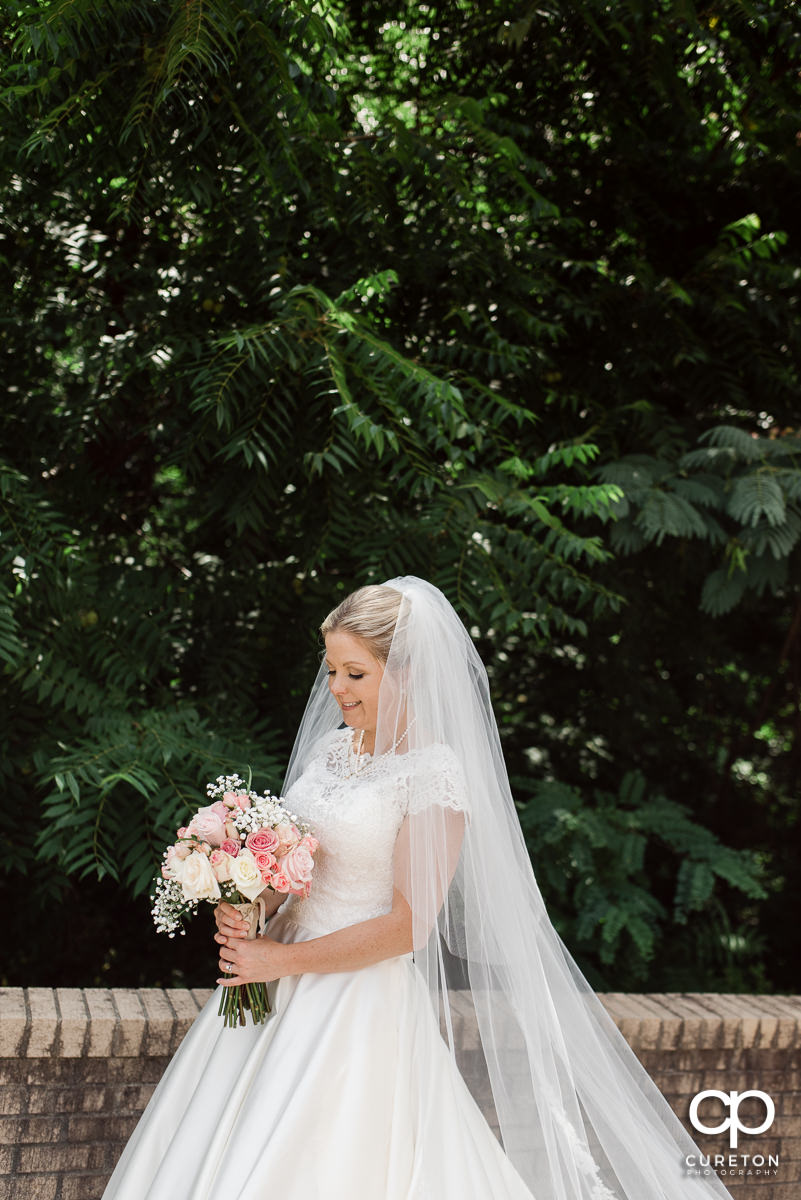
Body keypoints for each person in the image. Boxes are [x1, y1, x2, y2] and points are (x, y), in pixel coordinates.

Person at [102, 576, 734, 1200]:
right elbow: (298, 872)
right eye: (331, 672)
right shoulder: (330, 752)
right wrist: (252, 905)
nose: (336, 690)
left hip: (355, 999)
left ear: (403, 673)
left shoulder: (432, 778)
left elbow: (409, 925)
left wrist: (281, 958)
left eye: (355, 673)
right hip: (272, 984)